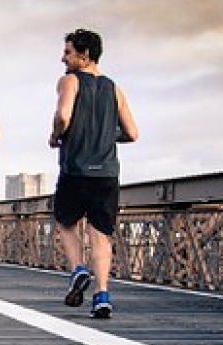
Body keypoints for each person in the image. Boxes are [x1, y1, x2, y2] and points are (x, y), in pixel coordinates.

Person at [49, 28, 138, 319]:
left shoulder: (70, 81)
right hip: (107, 174)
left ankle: (78, 269)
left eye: (68, 52)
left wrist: (55, 136)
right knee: (100, 236)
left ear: (84, 56)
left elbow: (63, 116)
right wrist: (105, 137)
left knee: (64, 222)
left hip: (76, 169)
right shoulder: (114, 88)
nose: (63, 58)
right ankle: (101, 296)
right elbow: (132, 133)